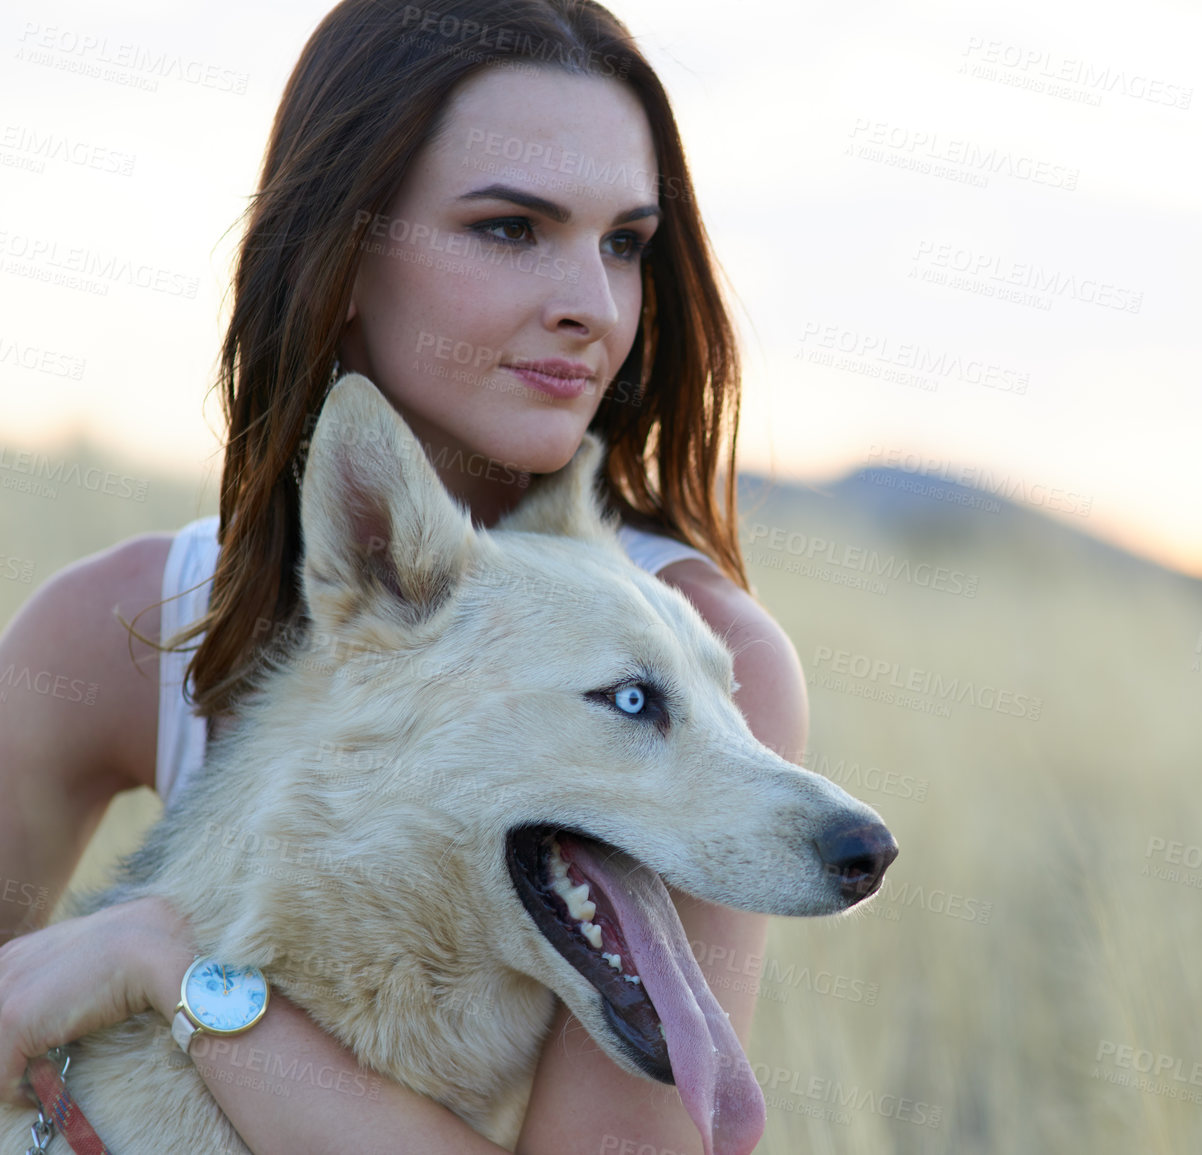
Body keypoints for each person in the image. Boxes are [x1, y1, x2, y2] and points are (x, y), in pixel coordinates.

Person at [0, 2, 807, 1151]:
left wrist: (165, 966)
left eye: (624, 242)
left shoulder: (701, 652)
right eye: (512, 228)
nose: (593, 303)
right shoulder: (120, 625)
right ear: (340, 254)